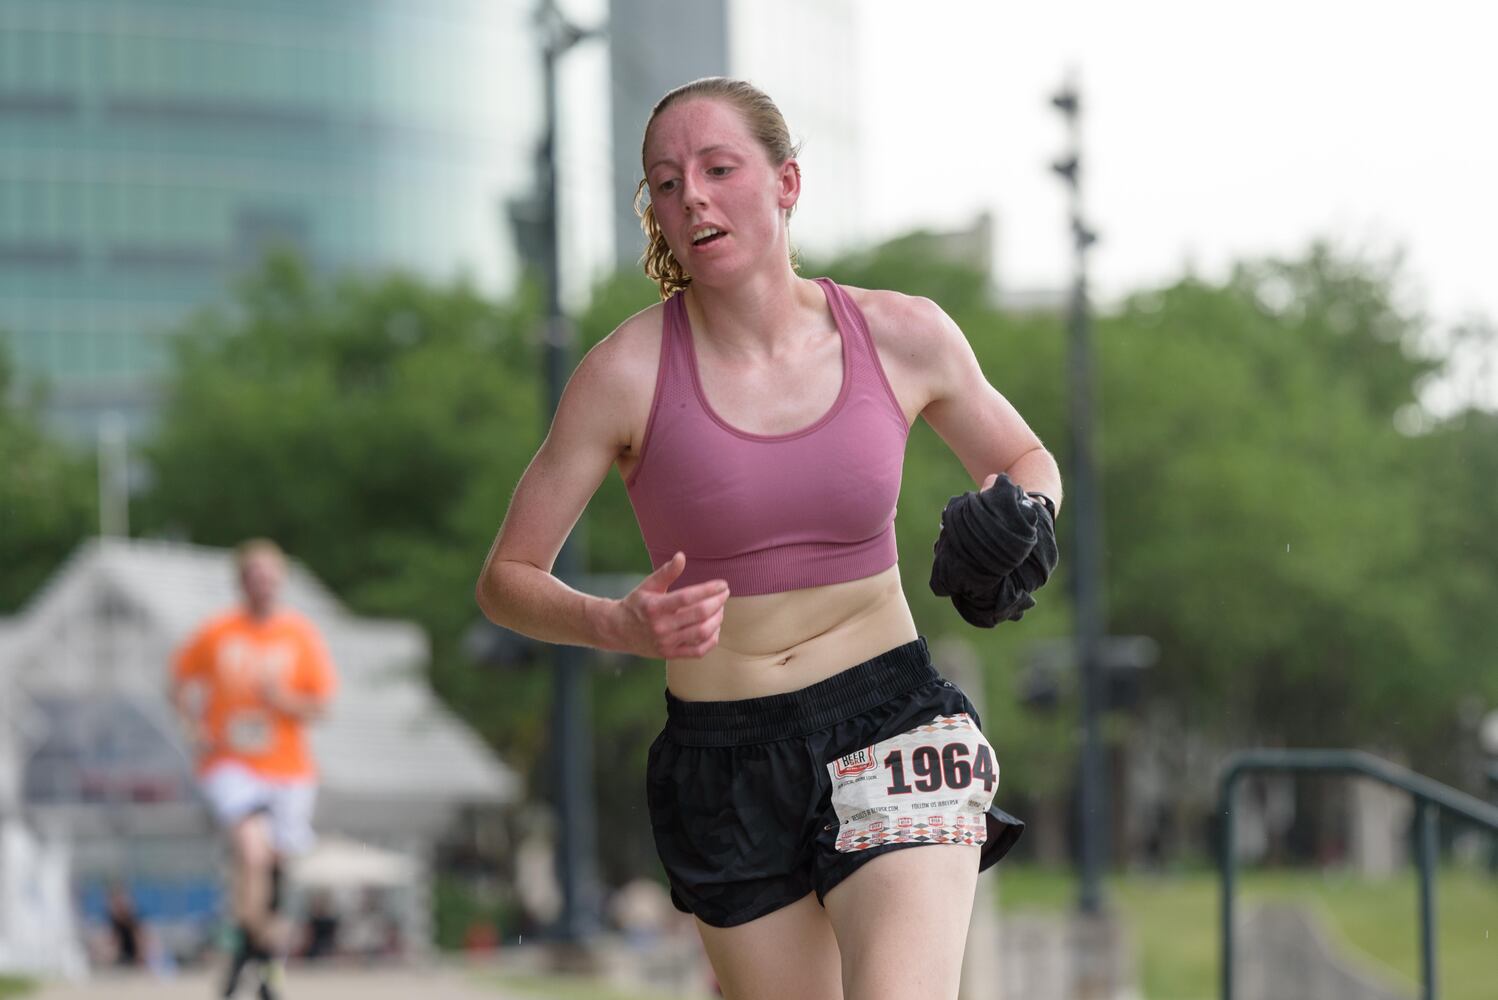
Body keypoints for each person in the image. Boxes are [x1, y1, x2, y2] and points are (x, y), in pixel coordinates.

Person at [476, 77, 1062, 999]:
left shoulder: (902, 333)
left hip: (892, 718)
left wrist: (1024, 520)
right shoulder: (622, 374)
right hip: (724, 755)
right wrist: (618, 627)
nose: (692, 197)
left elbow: (1027, 457)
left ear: (786, 183)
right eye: (665, 184)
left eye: (718, 169)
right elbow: (507, 578)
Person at [171, 539, 338, 999]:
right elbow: (179, 680)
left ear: (279, 581)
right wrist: (192, 725)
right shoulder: (217, 633)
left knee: (275, 871)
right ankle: (262, 970)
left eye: (270, 576)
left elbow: (322, 705)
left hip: (288, 767)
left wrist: (282, 699)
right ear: (241, 582)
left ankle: (250, 965)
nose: (262, 584)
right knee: (253, 851)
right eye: (253, 576)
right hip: (231, 763)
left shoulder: (299, 635)